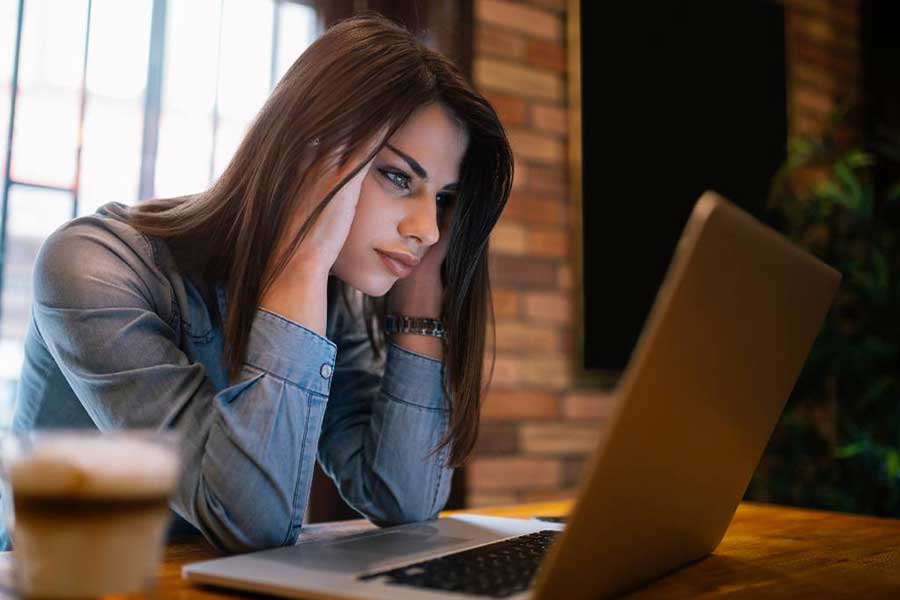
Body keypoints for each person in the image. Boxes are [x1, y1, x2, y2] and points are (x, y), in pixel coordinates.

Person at [1, 13, 512, 553]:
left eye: (442, 200)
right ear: (305, 155)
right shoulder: (94, 265)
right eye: (397, 177)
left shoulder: (336, 302)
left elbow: (404, 500)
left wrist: (425, 292)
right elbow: (249, 522)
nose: (427, 230)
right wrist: (302, 261)